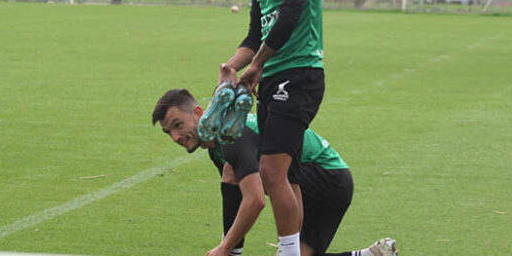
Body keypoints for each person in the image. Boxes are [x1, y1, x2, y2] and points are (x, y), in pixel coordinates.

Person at [152, 88, 397, 256]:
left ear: (198, 113)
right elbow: (236, 204)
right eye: (168, 132)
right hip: (330, 182)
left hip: (325, 178)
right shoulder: (218, 146)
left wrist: (226, 247)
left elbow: (255, 200)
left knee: (233, 175)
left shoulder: (231, 137)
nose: (175, 137)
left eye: (178, 125)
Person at [218, 0, 325, 255]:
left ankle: (288, 251)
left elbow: (290, 16)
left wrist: (258, 64)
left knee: (270, 172)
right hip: (273, 79)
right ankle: (294, 250)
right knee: (288, 175)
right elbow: (255, 32)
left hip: (300, 73)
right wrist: (231, 66)